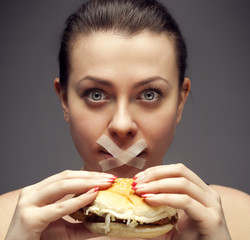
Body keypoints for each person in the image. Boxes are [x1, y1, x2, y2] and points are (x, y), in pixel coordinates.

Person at [0, 0, 249, 239]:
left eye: (149, 94)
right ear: (65, 100)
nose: (121, 126)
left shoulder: (239, 219)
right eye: (95, 94)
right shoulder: (7, 219)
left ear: (180, 102)